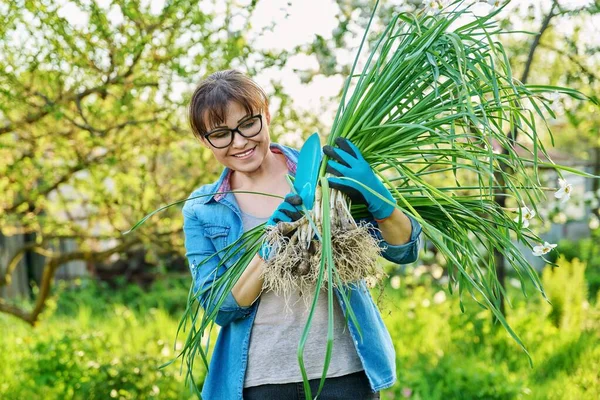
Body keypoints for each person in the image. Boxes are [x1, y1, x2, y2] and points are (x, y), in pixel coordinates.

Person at [182, 69, 422, 400]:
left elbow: (404, 250)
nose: (239, 142)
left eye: (248, 124)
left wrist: (378, 197)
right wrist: (272, 246)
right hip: (262, 381)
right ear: (204, 139)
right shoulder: (203, 209)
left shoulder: (322, 174)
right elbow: (221, 307)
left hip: (345, 373)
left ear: (266, 114)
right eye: (221, 134)